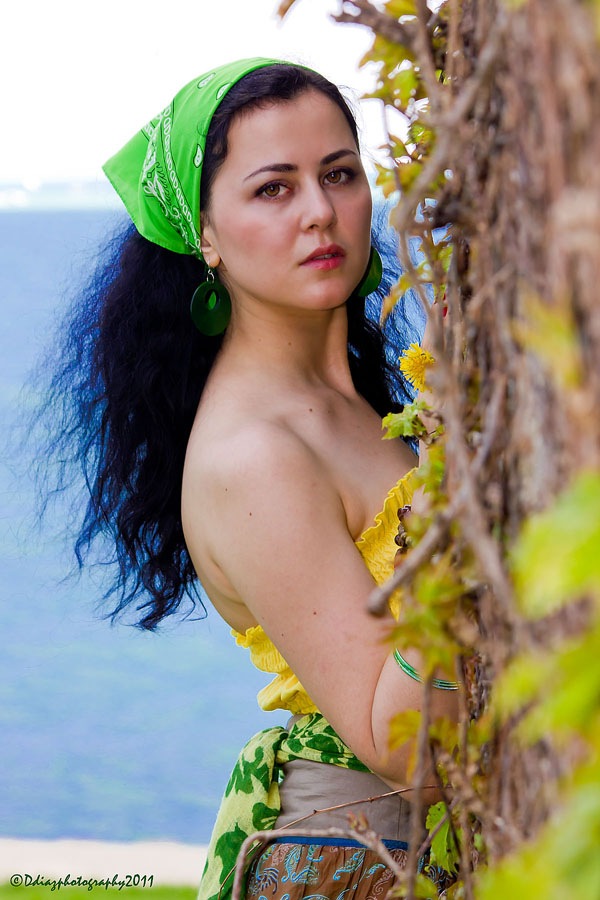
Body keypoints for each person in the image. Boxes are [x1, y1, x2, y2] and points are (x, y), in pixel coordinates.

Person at [42, 58, 459, 898]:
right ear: (205, 233)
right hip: (365, 862)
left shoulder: (359, 401)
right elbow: (407, 748)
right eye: (274, 189)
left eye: (339, 174)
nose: (320, 212)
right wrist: (461, 498)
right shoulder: (252, 455)